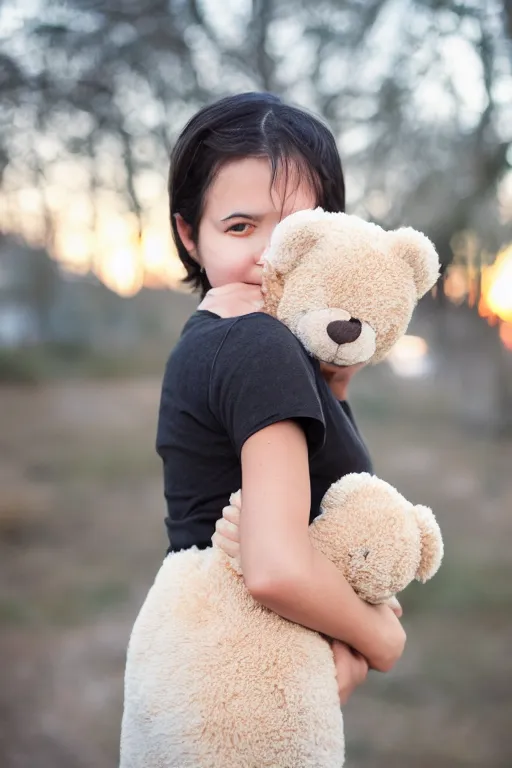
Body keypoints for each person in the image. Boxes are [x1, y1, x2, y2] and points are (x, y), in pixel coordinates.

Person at [157, 92, 405, 707]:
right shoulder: (255, 342)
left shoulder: (220, 339)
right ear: (190, 235)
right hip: (242, 677)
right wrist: (381, 637)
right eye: (241, 226)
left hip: (205, 662)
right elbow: (275, 569)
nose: (270, 258)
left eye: (296, 229)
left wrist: (336, 387)